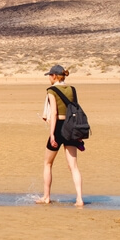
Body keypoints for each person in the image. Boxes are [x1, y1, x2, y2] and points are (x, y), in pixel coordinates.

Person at [37, 65, 84, 207]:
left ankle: (46, 197)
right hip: (72, 128)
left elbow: (54, 114)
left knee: (48, 163)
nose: (49, 78)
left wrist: (52, 134)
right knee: (74, 167)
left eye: (50, 75)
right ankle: (79, 199)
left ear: (55, 76)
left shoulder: (52, 90)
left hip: (59, 127)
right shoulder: (72, 89)